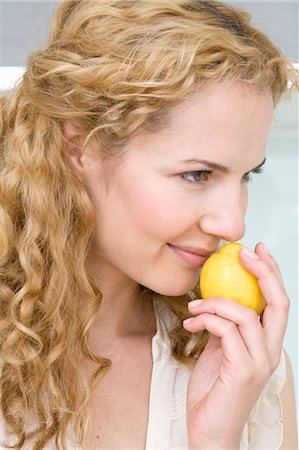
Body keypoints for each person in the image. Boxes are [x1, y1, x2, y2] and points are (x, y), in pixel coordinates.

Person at [0, 0, 298, 449]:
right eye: (197, 174)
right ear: (80, 147)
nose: (233, 225)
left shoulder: (245, 372)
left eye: (247, 175)